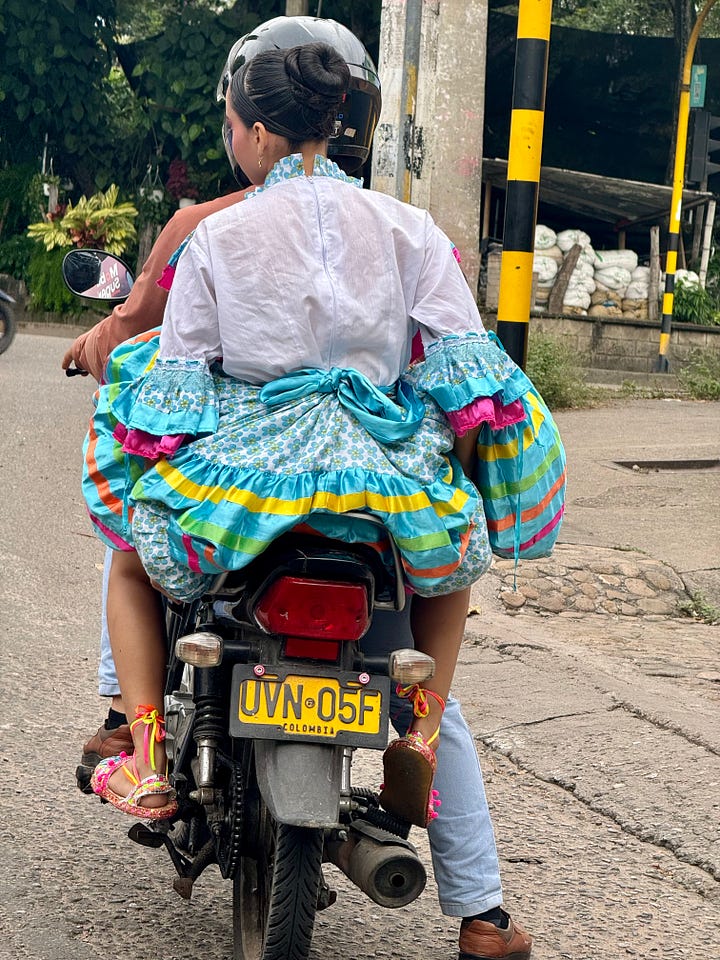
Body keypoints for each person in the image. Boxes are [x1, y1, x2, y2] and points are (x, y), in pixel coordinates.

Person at [67, 17, 533, 959]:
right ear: (342, 122)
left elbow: (180, 379)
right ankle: (422, 741)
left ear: (248, 124)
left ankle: (149, 755)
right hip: (378, 489)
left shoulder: (218, 233)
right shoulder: (409, 228)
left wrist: (152, 451)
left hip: (247, 493)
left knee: (131, 550)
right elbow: (466, 367)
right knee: (450, 568)